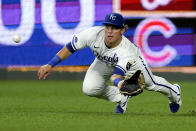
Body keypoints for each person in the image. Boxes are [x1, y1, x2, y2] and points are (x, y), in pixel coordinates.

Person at [38, 13, 182, 114]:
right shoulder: (93, 34)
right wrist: (50, 64)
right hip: (103, 62)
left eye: (114, 28)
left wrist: (120, 83)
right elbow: (70, 47)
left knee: (152, 84)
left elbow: (116, 75)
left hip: (134, 64)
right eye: (107, 26)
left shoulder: (126, 51)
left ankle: (174, 92)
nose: (109, 31)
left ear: (123, 30)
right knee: (89, 88)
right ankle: (121, 97)